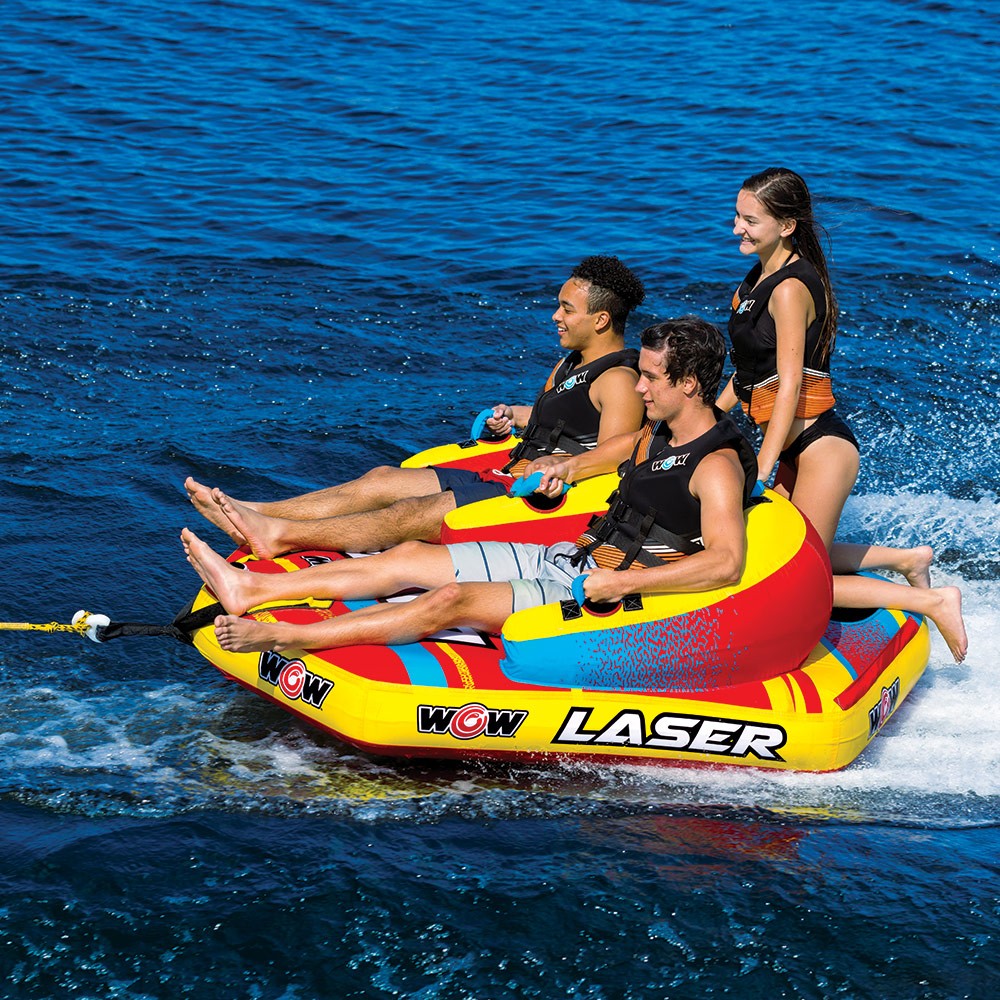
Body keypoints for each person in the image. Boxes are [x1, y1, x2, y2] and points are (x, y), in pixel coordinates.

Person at [181, 316, 757, 654]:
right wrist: (558, 473)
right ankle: (252, 588)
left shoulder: (716, 466)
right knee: (408, 555)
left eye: (651, 378)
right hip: (570, 557)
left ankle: (291, 638)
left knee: (448, 601)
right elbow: (615, 464)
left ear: (688, 383)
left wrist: (617, 583)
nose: (640, 388)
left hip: (607, 596)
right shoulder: (656, 433)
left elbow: (726, 563)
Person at [184, 255, 647, 559]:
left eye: (567, 309)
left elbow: (617, 456)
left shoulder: (619, 381)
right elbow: (566, 419)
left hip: (531, 497)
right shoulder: (571, 364)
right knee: (382, 479)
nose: (555, 316)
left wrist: (561, 469)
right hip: (505, 472)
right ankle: (255, 510)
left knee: (409, 514)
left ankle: (280, 534)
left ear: (600, 319)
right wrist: (515, 414)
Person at [717, 166, 967, 661]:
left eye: (750, 220)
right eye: (737, 216)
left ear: (786, 225)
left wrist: (765, 463)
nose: (736, 228)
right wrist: (703, 419)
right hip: (791, 445)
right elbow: (746, 376)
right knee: (788, 548)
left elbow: (789, 384)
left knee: (798, 575)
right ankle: (907, 560)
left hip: (820, 449)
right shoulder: (753, 283)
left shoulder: (789, 290)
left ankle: (934, 601)